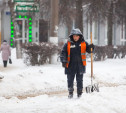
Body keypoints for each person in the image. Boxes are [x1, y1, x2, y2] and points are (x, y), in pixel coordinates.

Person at [60, 28, 94, 98]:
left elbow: (89, 50)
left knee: (79, 80)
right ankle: (70, 93)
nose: (75, 37)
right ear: (72, 36)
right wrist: (63, 60)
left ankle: (79, 93)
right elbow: (63, 53)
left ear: (80, 36)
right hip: (70, 65)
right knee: (70, 80)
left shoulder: (83, 43)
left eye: (77, 36)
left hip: (80, 66)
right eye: (74, 36)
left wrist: (91, 48)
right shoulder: (68, 44)